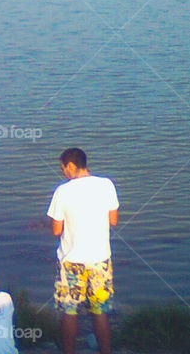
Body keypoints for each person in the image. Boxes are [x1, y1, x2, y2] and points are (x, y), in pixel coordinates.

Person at [47, 147, 119, 354]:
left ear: (70, 166)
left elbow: (56, 230)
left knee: (69, 312)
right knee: (100, 311)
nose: (62, 172)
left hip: (71, 261)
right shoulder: (106, 185)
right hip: (100, 259)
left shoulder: (62, 191)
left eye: (62, 168)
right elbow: (113, 220)